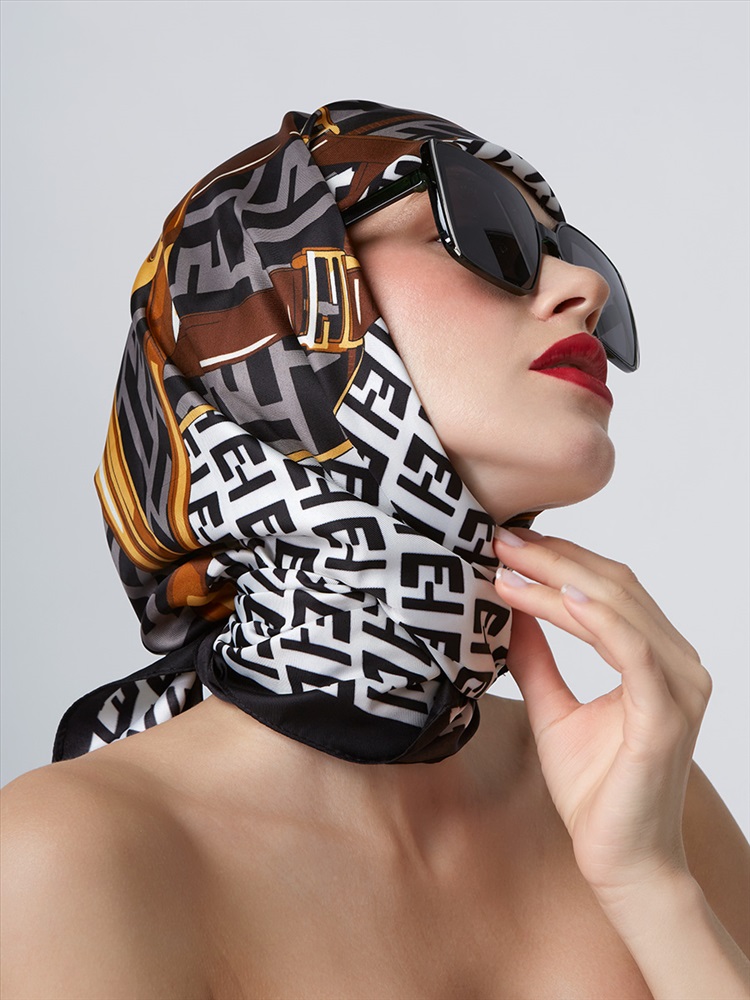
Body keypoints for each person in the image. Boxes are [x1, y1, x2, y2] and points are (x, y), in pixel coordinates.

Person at [1, 99, 748, 1000]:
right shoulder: (72, 856)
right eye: (490, 233)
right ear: (284, 302)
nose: (581, 288)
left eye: (577, 257)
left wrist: (650, 885)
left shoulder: (649, 802)